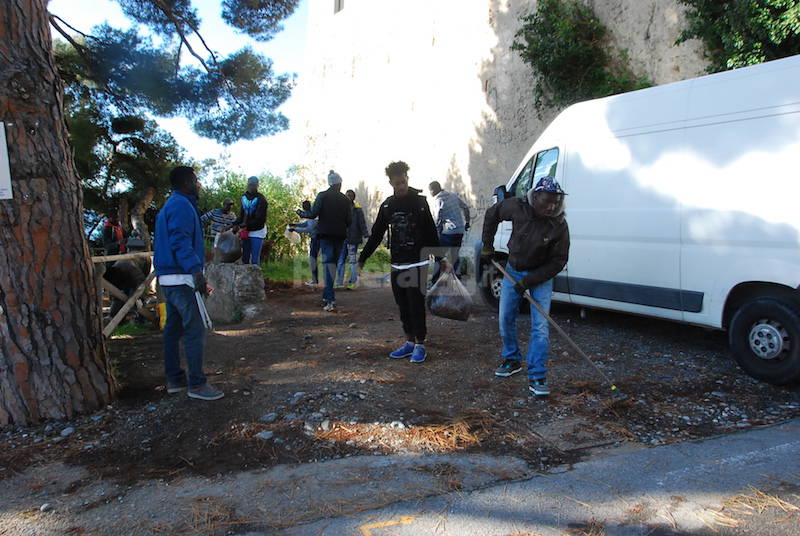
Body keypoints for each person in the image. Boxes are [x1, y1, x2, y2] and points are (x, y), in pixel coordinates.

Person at [481, 176, 570, 397]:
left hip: (540, 276)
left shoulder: (559, 224)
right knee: (505, 318)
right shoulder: (518, 206)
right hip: (513, 269)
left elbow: (559, 261)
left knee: (540, 327)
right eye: (547, 201)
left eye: (555, 202)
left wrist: (528, 282)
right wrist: (487, 245)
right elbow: (492, 214)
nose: (551, 206)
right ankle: (512, 359)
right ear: (536, 196)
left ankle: (537, 374)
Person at [357, 161, 450, 364]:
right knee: (402, 305)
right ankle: (408, 342)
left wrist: (441, 258)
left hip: (417, 264)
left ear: (407, 179)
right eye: (398, 182)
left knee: (416, 304)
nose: (402, 186)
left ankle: (420, 344)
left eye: (404, 181)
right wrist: (362, 259)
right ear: (391, 183)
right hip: (397, 264)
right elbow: (376, 235)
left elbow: (430, 232)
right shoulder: (388, 205)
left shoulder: (419, 203)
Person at [153, 166, 223, 401]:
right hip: (182, 278)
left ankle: (174, 379)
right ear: (187, 182)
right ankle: (197, 383)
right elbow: (180, 241)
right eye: (196, 181)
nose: (199, 185)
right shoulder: (182, 205)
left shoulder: (170, 205)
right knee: (195, 329)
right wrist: (196, 272)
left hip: (168, 279)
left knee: (173, 329)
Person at [298, 170, 352, 311]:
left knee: (328, 265)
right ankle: (326, 295)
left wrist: (301, 213)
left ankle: (330, 300)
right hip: (340, 236)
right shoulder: (345, 199)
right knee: (332, 265)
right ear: (339, 184)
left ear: (330, 183)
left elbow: (313, 214)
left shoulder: (322, 196)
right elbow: (349, 221)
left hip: (326, 236)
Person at [429, 181, 470, 282]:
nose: (430, 194)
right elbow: (465, 207)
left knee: (439, 256)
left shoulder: (438, 200)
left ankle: (434, 282)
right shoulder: (453, 195)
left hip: (449, 233)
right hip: (460, 231)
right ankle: (458, 280)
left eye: (430, 192)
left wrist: (435, 233)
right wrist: (467, 222)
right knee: (455, 255)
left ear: (433, 190)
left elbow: (438, 219)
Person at [335, 189, 369, 289]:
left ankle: (352, 282)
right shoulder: (341, 209)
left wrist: (366, 234)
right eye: (347, 196)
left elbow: (362, 223)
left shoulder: (357, 209)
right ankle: (339, 282)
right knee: (341, 260)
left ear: (353, 198)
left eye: (350, 196)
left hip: (353, 239)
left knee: (352, 261)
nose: (348, 197)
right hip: (342, 238)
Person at [231, 176, 268, 264]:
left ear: (257, 185)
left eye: (254, 185)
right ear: (247, 184)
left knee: (255, 258)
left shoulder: (261, 199)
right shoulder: (244, 197)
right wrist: (233, 224)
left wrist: (243, 225)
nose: (251, 187)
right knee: (245, 256)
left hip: (258, 231)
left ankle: (255, 277)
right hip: (246, 230)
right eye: (250, 184)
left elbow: (260, 219)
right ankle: (245, 277)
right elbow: (242, 215)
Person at [289, 200, 320, 287]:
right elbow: (305, 224)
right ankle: (315, 279)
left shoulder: (312, 216)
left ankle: (314, 280)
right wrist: (294, 224)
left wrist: (295, 229)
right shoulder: (311, 215)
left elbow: (308, 229)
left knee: (312, 259)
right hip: (316, 239)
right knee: (313, 259)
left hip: (317, 239)